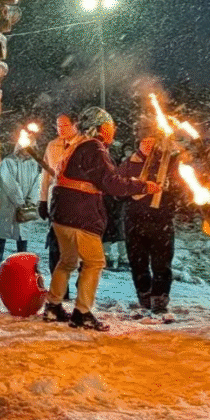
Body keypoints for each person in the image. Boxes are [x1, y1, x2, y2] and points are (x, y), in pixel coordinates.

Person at [44, 107, 158, 331]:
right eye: (109, 127)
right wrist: (144, 185)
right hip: (81, 215)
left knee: (67, 261)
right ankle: (82, 312)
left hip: (62, 214)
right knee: (95, 262)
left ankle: (53, 306)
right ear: (99, 128)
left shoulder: (75, 146)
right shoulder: (94, 148)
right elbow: (110, 182)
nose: (112, 131)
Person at [120, 135, 181, 316]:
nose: (148, 146)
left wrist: (170, 189)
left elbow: (180, 189)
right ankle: (144, 295)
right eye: (145, 141)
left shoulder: (167, 163)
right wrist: (136, 189)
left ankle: (160, 298)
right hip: (135, 220)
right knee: (138, 261)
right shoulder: (129, 164)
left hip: (161, 219)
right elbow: (117, 188)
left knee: (162, 261)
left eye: (152, 143)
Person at [38, 114, 80, 288]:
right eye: (58, 126)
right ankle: (60, 289)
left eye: (64, 125)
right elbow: (45, 176)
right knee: (56, 246)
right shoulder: (52, 146)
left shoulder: (83, 145)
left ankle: (79, 285)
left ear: (75, 125)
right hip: (56, 203)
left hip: (77, 203)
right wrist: (42, 200)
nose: (61, 129)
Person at [0, 139, 41, 263]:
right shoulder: (8, 162)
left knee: (23, 229)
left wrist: (31, 200)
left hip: (25, 202)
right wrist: (19, 201)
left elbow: (36, 183)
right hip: (8, 202)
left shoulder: (33, 163)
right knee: (3, 228)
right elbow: (9, 183)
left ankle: (21, 256)